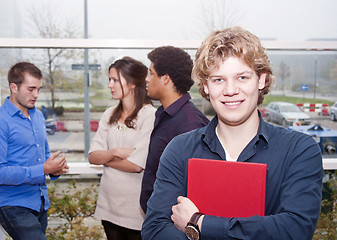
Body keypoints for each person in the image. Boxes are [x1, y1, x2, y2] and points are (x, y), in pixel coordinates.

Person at [141, 26, 324, 240]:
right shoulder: (180, 149)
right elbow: (154, 230)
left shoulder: (299, 150)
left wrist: (199, 223)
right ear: (206, 87)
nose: (230, 90)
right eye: (218, 79)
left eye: (242, 78)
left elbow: (294, 230)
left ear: (261, 80)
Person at [0, 62, 69, 240]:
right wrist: (43, 169)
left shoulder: (38, 116)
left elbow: (43, 157)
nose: (36, 95)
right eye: (31, 89)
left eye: (39, 89)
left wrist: (55, 169)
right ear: (14, 87)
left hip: (40, 202)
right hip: (12, 204)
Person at [88, 56, 156, 240]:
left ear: (133, 83)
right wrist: (116, 152)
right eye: (110, 79)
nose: (110, 85)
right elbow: (93, 156)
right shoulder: (109, 113)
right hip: (108, 207)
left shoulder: (149, 115)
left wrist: (107, 159)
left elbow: (136, 165)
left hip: (135, 211)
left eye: (115, 80)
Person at [140, 46, 210, 214]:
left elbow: (194, 188)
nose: (146, 79)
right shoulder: (164, 114)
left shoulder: (190, 124)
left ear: (165, 79)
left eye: (151, 73)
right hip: (157, 217)